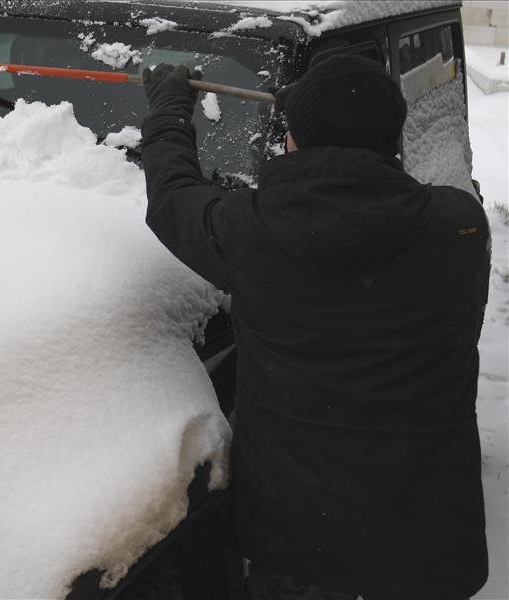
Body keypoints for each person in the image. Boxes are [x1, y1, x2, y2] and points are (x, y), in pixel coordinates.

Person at [139, 55, 490, 600]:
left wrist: (168, 109)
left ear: (294, 138)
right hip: (424, 528)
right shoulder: (460, 226)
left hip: (302, 536)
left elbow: (172, 197)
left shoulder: (249, 231)